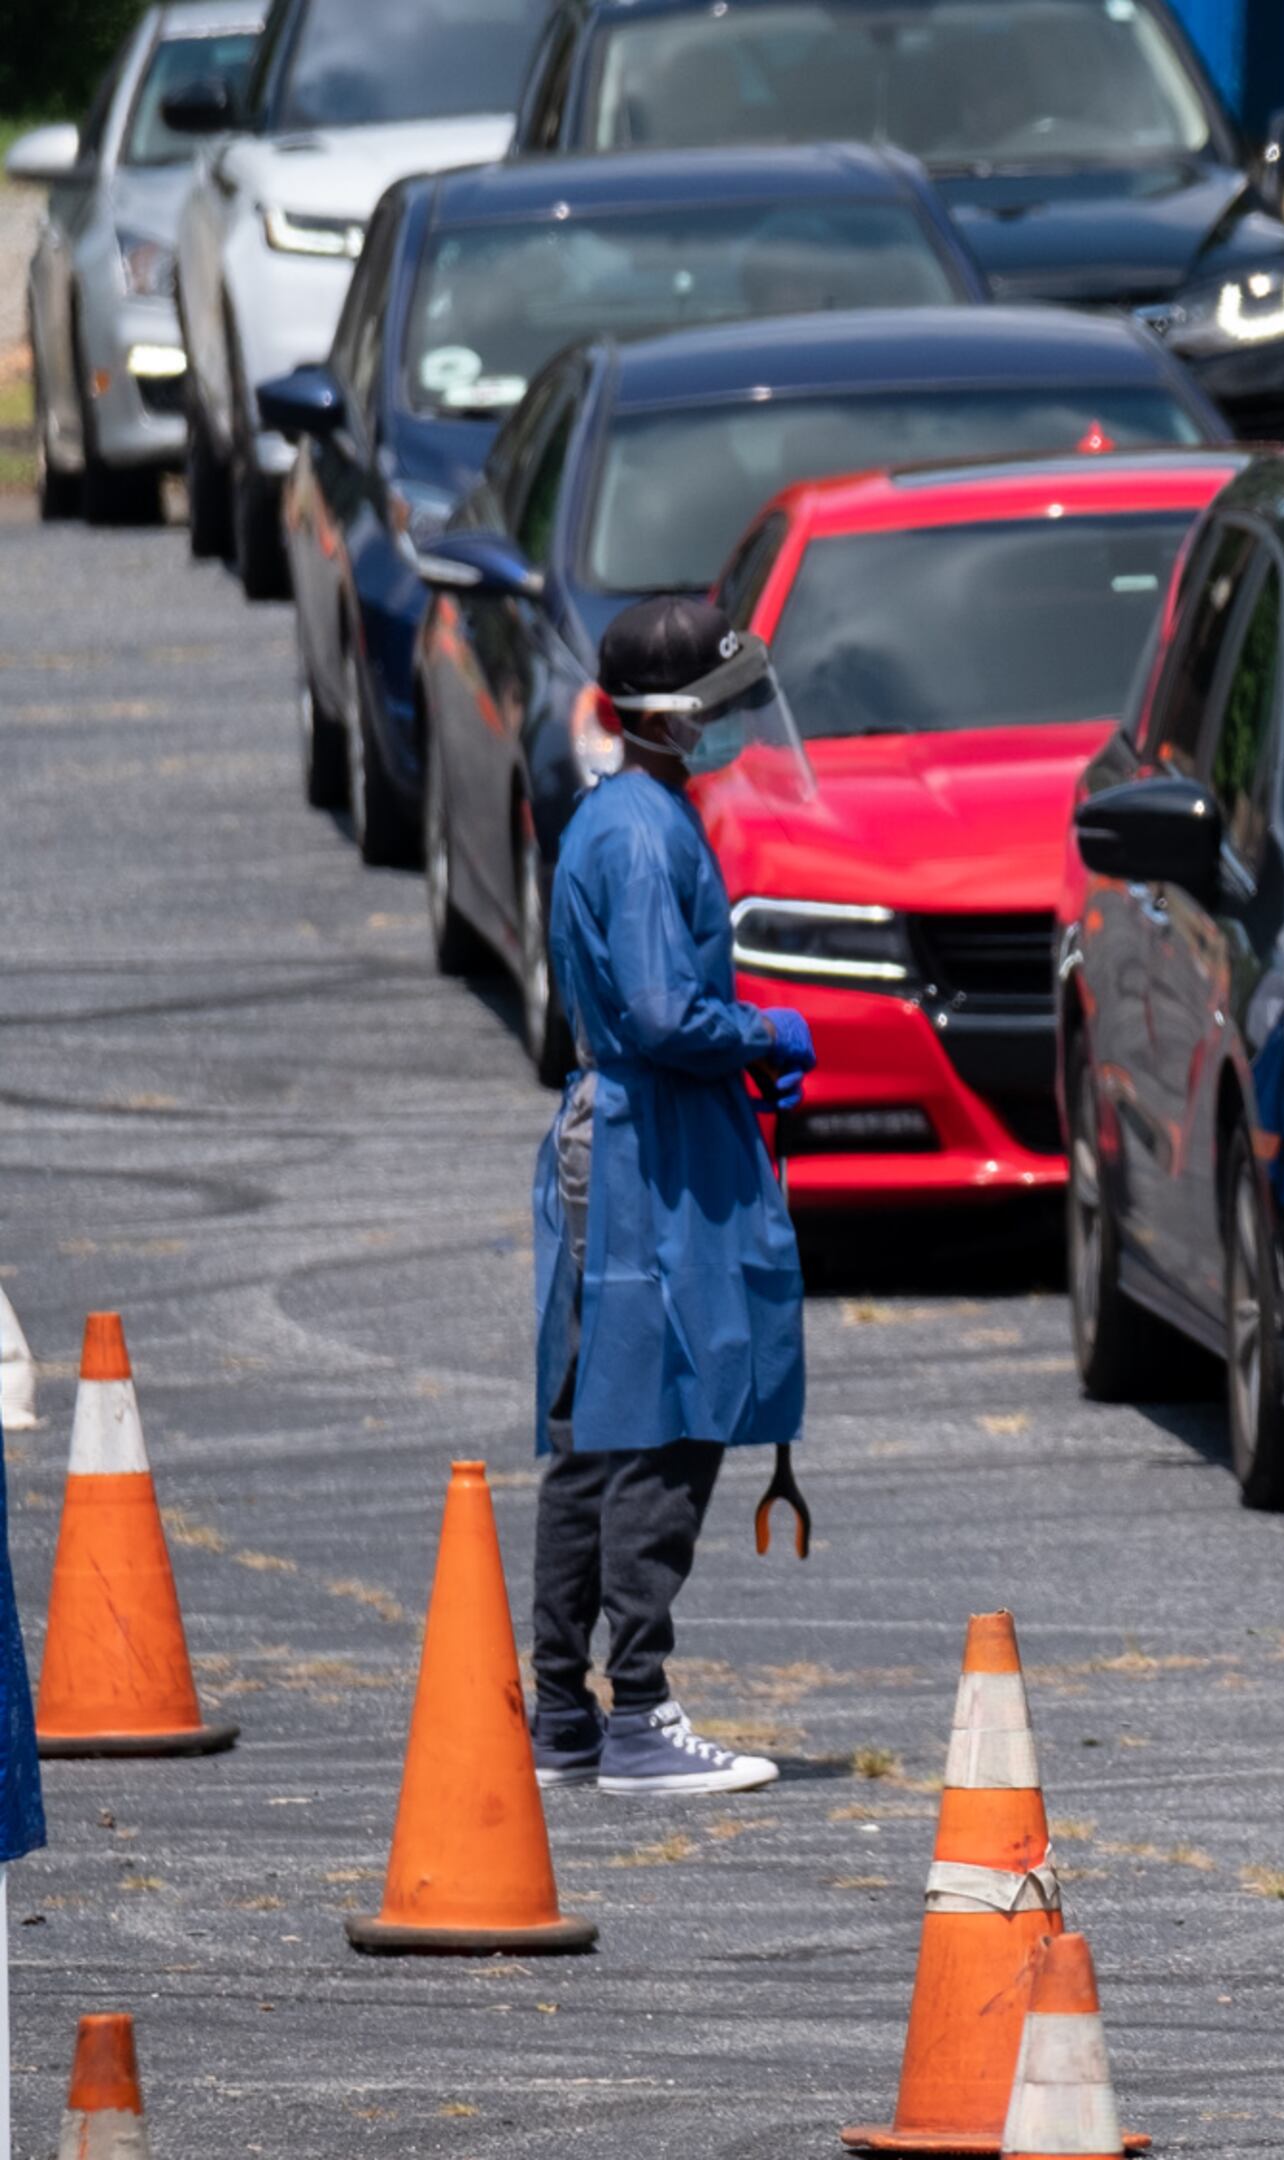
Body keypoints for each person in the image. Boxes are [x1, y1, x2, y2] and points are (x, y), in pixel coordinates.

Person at [527, 596, 814, 1800]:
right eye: (719, 699)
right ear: (676, 714)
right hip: (645, 1145)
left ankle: (562, 1717)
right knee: (660, 1417)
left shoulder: (625, 812)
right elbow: (658, 1012)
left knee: (605, 1428)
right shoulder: (643, 835)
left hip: (639, 1133)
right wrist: (758, 1032)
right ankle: (635, 1713)